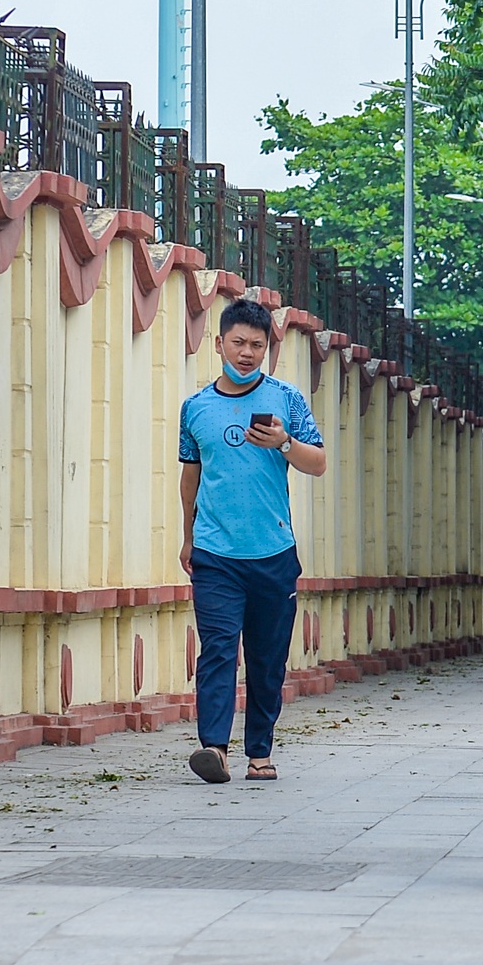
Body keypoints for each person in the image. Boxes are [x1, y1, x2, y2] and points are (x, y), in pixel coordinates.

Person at [179, 297, 327, 785]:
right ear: (219, 343)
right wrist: (187, 538)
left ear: (268, 350)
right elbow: (192, 477)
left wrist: (284, 443)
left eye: (257, 346)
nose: (246, 353)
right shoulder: (196, 408)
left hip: (273, 555)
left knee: (267, 659)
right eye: (238, 343)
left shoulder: (286, 400)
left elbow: (317, 463)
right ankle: (214, 749)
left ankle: (259, 752)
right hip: (215, 554)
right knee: (218, 648)